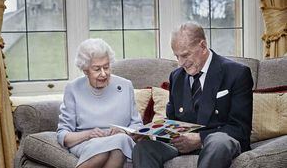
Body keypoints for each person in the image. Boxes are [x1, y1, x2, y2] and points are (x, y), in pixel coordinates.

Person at [132, 22, 253, 168]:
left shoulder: (237, 73)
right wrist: (150, 134)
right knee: (144, 148)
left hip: (219, 145)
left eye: (185, 55)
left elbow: (241, 129)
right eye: (177, 56)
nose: (181, 63)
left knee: (218, 141)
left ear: (202, 46)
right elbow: (173, 123)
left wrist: (200, 138)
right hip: (182, 147)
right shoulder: (176, 77)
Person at [57, 38, 143, 168]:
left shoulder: (125, 86)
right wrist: (89, 134)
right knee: (103, 151)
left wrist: (124, 132)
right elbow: (63, 135)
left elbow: (137, 125)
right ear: (85, 70)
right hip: (87, 143)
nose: (104, 74)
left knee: (119, 142)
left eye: (106, 67)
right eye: (97, 69)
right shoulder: (73, 89)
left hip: (121, 141)